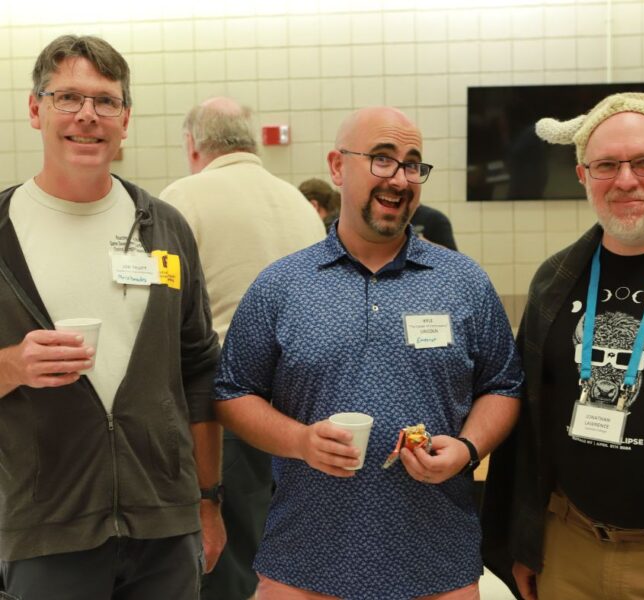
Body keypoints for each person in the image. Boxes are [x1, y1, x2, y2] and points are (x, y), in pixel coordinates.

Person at [213, 106, 523, 600]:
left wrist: (467, 449)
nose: (399, 178)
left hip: (437, 561)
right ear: (337, 167)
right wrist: (300, 441)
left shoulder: (462, 282)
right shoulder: (282, 285)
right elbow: (232, 392)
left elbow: (503, 385)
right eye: (381, 159)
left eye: (411, 164)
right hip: (304, 560)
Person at [0, 35, 225, 600]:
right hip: (47, 528)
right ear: (34, 110)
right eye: (66, 98)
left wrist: (208, 499)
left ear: (126, 119)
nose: (86, 116)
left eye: (105, 101)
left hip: (166, 527)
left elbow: (199, 370)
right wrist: (11, 366)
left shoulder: (164, 227)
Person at [482, 85, 644, 600]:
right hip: (569, 550)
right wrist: (526, 541)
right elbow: (529, 424)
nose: (625, 180)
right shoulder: (555, 279)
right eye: (606, 165)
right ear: (583, 176)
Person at [160, 97, 326, 600]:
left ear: (193, 145)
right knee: (287, 554)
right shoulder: (298, 202)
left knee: (225, 552)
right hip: (303, 402)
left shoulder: (182, 198)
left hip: (223, 403)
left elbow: (160, 310)